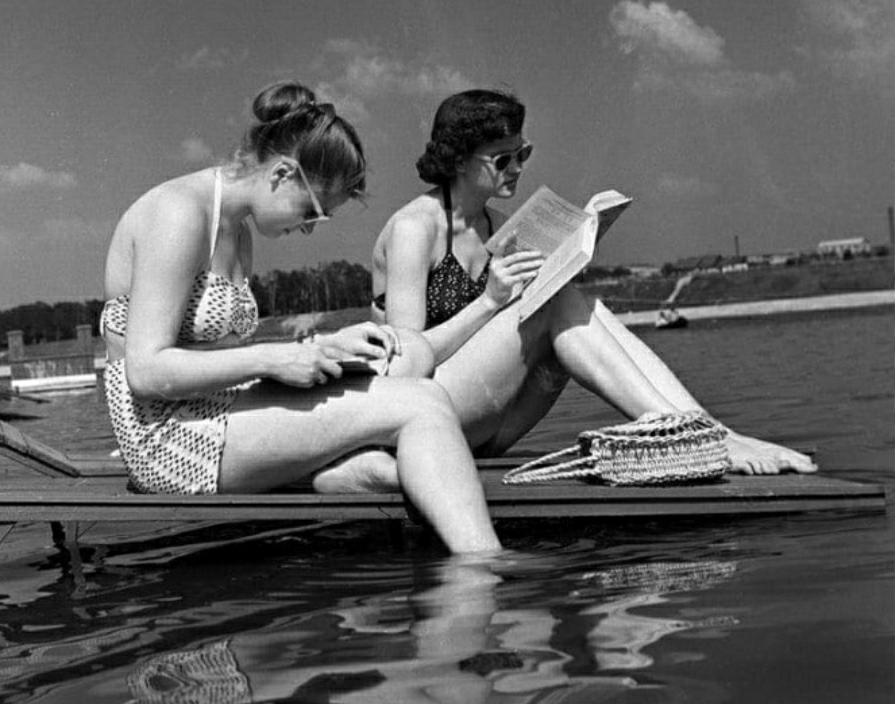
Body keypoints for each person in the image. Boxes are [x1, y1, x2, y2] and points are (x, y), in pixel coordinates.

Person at [100, 81, 501, 554]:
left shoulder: (236, 228)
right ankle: (485, 568)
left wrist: (323, 349)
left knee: (407, 353)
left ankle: (348, 471)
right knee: (423, 404)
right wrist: (277, 358)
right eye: (312, 211)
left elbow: (213, 355)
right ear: (282, 174)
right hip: (168, 439)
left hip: (217, 408)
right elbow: (146, 373)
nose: (309, 228)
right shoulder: (179, 215)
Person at [366, 88, 816, 476]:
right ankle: (695, 436)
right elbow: (405, 370)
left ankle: (710, 430)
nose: (517, 169)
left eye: (523, 154)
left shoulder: (500, 228)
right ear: (459, 160)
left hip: (485, 424)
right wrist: (488, 302)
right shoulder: (414, 229)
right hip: (421, 424)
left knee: (571, 300)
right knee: (558, 306)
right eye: (503, 159)